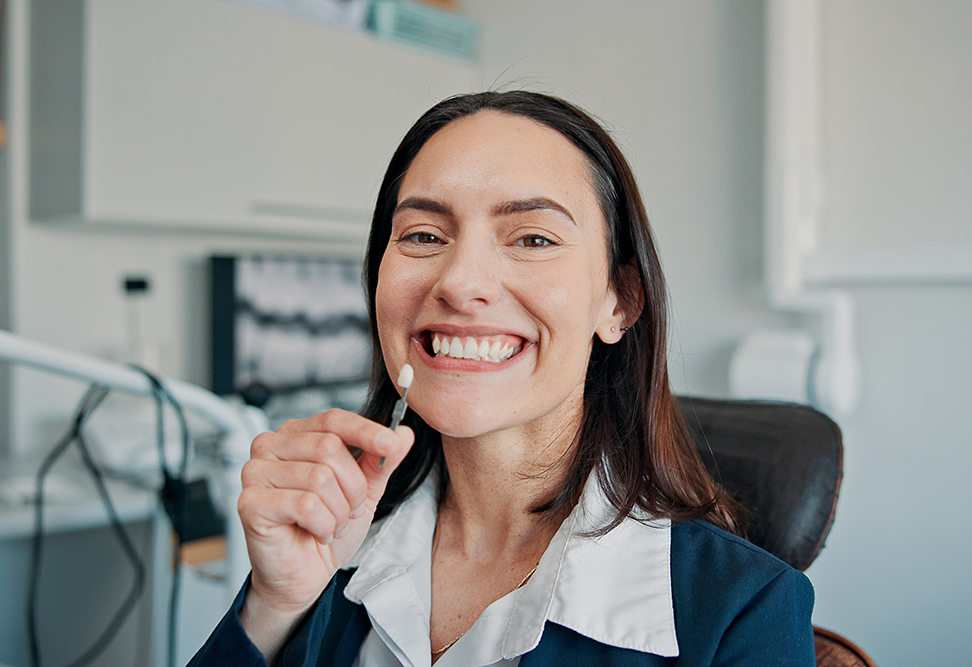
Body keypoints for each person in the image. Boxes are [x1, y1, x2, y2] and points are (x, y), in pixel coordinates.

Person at [190, 91, 816, 666]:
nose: (459, 283)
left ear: (619, 302)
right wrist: (275, 608)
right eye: (423, 235)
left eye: (533, 239)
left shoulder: (744, 613)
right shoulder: (331, 548)